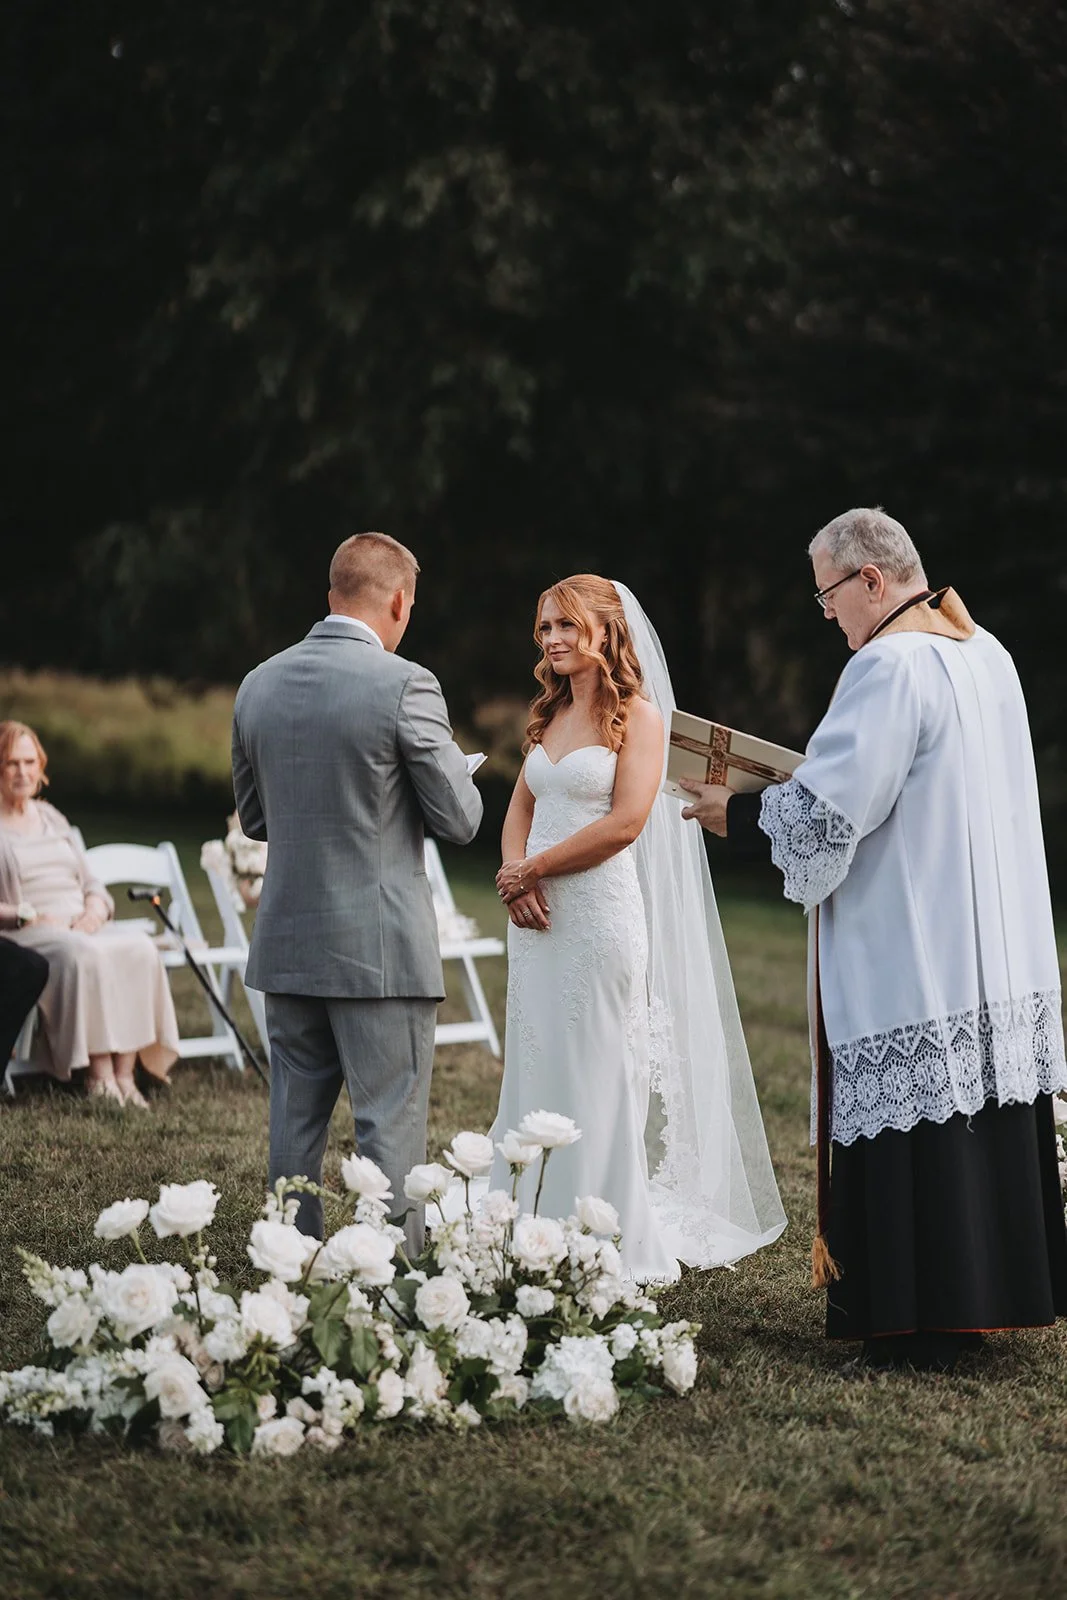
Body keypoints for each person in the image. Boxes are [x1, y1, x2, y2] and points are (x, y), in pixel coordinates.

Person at [680, 508, 1067, 1370]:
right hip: (989, 940)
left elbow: (831, 805)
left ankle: (914, 1322)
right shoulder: (985, 652)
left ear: (869, 580)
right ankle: (981, 1304)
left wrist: (732, 811)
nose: (826, 616)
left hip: (911, 934)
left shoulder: (887, 665)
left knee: (911, 1120)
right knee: (971, 1111)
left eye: (826, 594)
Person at [493, 575, 786, 1280]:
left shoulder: (641, 718)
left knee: (596, 1065)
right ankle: (527, 1213)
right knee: (536, 1058)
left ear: (605, 631)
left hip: (596, 917)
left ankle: (597, 1217)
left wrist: (531, 871)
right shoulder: (549, 715)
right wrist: (513, 874)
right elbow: (517, 813)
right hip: (534, 921)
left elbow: (623, 823)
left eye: (566, 626)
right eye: (544, 629)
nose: (553, 640)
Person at [232, 531, 483, 1250]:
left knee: (294, 1123)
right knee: (387, 1128)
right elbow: (459, 820)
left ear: (331, 593)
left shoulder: (258, 682)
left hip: (287, 942)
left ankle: (291, 1268)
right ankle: (394, 1285)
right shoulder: (406, 683)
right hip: (379, 950)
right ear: (399, 601)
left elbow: (255, 819)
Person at [0, 721, 179, 1106]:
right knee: (84, 952)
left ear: (41, 766)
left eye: (29, 761)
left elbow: (92, 883)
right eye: (11, 762)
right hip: (28, 929)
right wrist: (26, 914)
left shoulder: (51, 818)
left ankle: (125, 1075)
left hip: (80, 922)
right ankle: (97, 1075)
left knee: (139, 948)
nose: (22, 772)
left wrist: (94, 913)